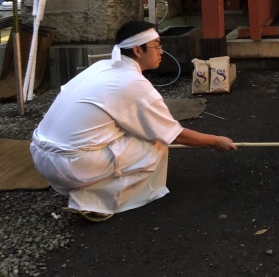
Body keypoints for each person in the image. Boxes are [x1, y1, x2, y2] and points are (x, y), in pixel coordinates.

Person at [30, 21, 236, 222]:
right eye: (156, 46)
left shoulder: (102, 66)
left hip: (40, 154)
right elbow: (173, 134)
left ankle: (90, 183)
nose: (161, 52)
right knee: (156, 143)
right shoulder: (133, 83)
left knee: (140, 131)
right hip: (70, 165)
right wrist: (215, 141)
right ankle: (91, 199)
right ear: (138, 50)